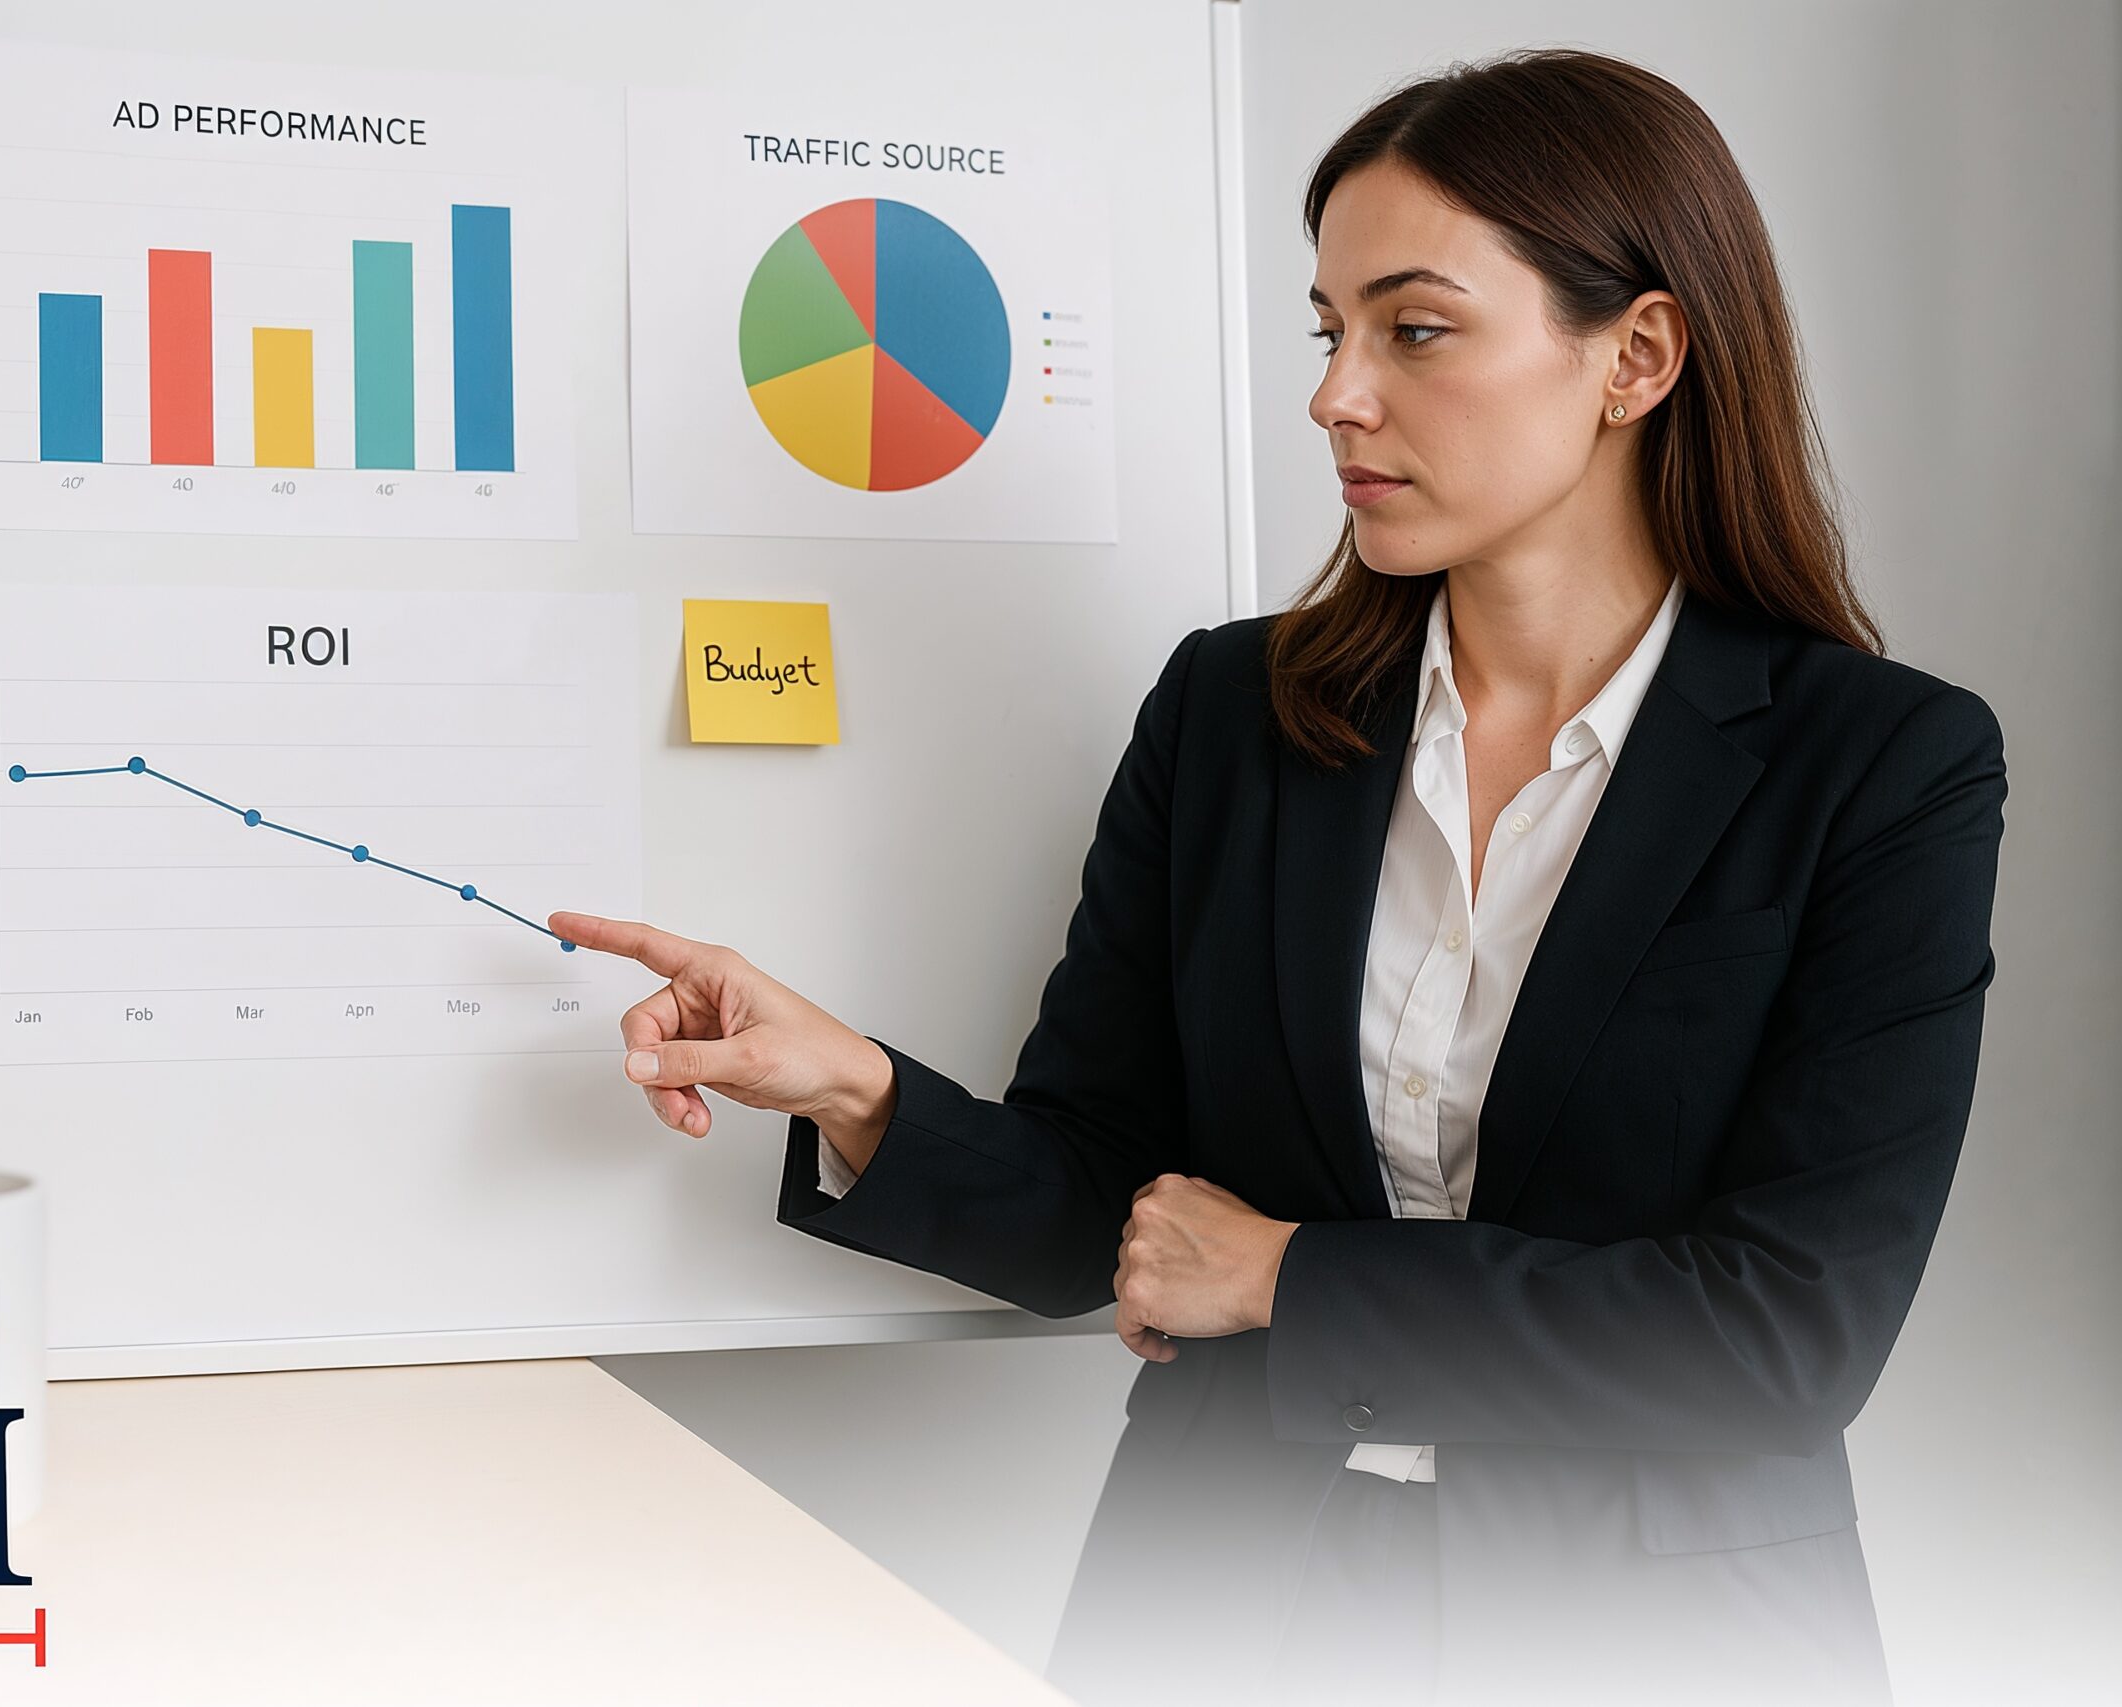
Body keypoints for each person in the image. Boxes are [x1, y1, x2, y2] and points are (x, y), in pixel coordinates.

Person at [554, 46, 2005, 1707]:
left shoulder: (1880, 765)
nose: (1338, 394)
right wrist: (856, 1088)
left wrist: (1287, 1278)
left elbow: (1785, 1335)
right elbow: (1117, 1211)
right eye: (1330, 331)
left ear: (1639, 354)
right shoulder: (1234, 717)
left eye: (1417, 327)